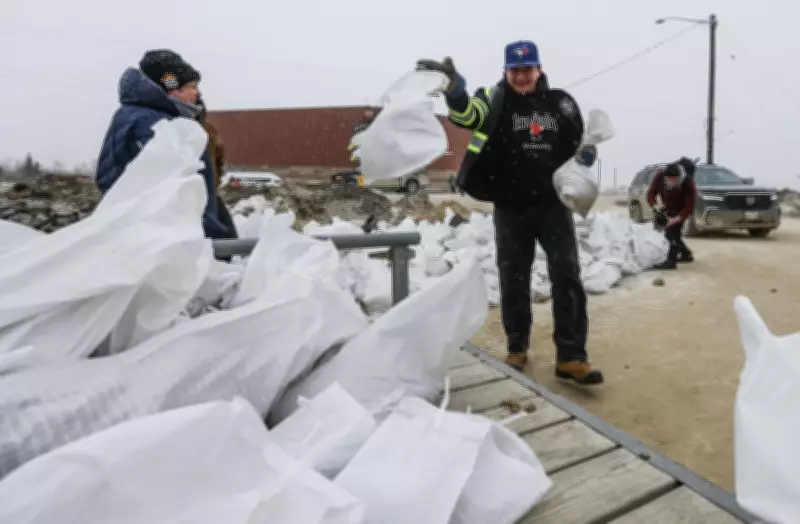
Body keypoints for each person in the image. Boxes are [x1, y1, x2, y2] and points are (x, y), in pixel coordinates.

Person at [416, 40, 603, 385]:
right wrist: (455, 90)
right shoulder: (494, 99)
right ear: (505, 71)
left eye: (527, 69)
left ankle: (571, 356)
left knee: (567, 275)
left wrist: (586, 155)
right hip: (510, 205)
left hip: (552, 205)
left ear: (538, 69)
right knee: (513, 277)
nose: (521, 76)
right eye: (514, 70)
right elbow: (466, 116)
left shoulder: (559, 103)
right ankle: (517, 347)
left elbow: (579, 143)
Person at [95, 49, 230, 239]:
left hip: (153, 229)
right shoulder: (154, 124)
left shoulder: (147, 116)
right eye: (192, 86)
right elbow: (165, 189)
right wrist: (205, 228)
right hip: (163, 234)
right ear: (172, 87)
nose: (198, 93)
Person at [196, 97, 238, 241]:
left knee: (224, 234)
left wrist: (215, 178)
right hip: (198, 189)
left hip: (207, 190)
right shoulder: (207, 130)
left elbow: (219, 158)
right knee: (222, 234)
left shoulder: (208, 130)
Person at [647, 159, 697, 269]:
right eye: (669, 179)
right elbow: (650, 194)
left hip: (681, 208)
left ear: (679, 177)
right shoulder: (660, 175)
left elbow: (689, 206)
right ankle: (686, 254)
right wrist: (656, 207)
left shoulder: (688, 183)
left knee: (672, 233)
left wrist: (676, 219)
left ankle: (671, 261)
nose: (671, 182)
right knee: (669, 233)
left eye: (674, 180)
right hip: (667, 206)